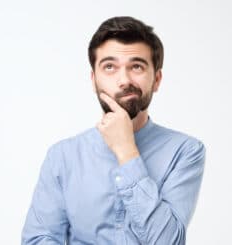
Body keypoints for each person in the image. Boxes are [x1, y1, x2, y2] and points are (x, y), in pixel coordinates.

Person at [22, 16, 206, 245]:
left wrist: (126, 150)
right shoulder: (62, 156)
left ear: (156, 80)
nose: (124, 80)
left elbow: (168, 242)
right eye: (109, 67)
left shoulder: (185, 151)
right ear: (94, 79)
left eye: (136, 66)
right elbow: (39, 239)